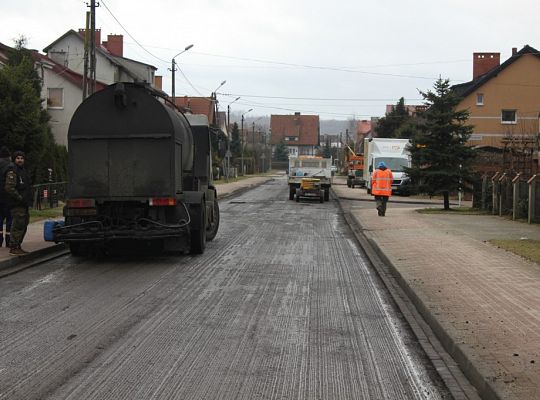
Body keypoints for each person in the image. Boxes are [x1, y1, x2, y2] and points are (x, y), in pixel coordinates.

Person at [4, 151, 33, 255]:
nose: (20, 160)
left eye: (22, 158)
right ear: (14, 159)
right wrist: (19, 198)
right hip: (16, 204)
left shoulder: (23, 171)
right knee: (17, 225)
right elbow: (9, 188)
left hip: (24, 204)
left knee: (24, 224)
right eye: (18, 158)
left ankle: (18, 245)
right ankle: (14, 246)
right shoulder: (12, 171)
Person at [0, 146, 13, 247]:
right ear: (9, 157)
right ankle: (9, 241)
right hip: (9, 197)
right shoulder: (11, 166)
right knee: (10, 219)